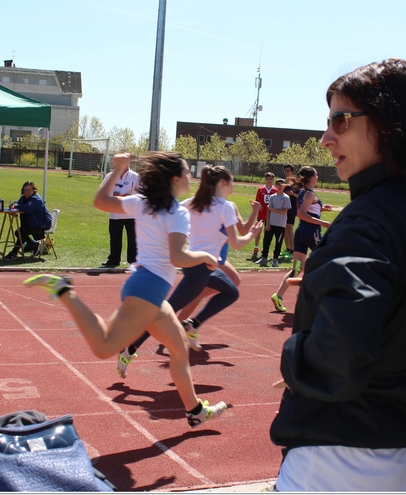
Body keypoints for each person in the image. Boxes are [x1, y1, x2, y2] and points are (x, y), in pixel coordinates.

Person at [270, 59, 406, 491]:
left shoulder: (367, 224)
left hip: (337, 463)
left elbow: (340, 358)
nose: (326, 137)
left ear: (390, 124)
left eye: (340, 120)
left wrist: (295, 358)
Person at [24, 152, 228, 427]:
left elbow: (100, 201)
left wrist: (116, 172)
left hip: (148, 289)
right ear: (176, 179)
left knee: (179, 350)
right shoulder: (177, 212)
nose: (191, 176)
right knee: (105, 346)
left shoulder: (140, 203)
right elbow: (178, 258)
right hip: (149, 289)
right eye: (188, 172)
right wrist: (204, 256)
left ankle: (195, 411)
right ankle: (64, 291)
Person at [116, 165, 263, 377]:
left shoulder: (193, 203)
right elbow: (237, 243)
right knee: (165, 312)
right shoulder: (225, 207)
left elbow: (170, 208)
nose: (233, 185)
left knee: (232, 291)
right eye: (231, 182)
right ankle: (129, 348)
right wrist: (253, 234)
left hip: (201, 266)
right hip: (199, 271)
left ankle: (193, 324)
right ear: (222, 183)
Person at [269, 167, 331, 313]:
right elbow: (301, 214)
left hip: (301, 233)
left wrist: (321, 209)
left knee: (296, 268)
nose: (318, 177)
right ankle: (317, 300)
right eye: (316, 174)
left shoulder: (303, 193)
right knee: (324, 263)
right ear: (311, 178)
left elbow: (308, 209)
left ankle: (278, 295)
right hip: (311, 232)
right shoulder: (308, 194)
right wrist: (324, 223)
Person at [100, 158, 140, 268]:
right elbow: (102, 191)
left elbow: (142, 194)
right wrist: (114, 194)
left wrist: (128, 196)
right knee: (115, 238)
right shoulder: (110, 176)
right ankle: (113, 259)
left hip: (132, 214)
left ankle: (133, 260)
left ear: (129, 163)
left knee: (133, 239)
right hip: (115, 213)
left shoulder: (135, 176)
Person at [4, 181, 52, 260]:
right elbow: (18, 203)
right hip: (32, 223)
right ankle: (33, 245)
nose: (27, 192)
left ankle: (14, 253)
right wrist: (14, 204)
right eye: (25, 190)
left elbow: (28, 208)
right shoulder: (24, 198)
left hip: (42, 223)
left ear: (34, 190)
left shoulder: (36, 199)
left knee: (21, 232)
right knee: (20, 232)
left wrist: (17, 205)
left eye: (29, 190)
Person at [258, 178, 290, 268]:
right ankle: (264, 257)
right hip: (271, 223)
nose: (280, 186)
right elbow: (268, 211)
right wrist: (268, 223)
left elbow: (284, 211)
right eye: (278, 184)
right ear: (275, 186)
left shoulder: (286, 198)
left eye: (282, 184)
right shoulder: (272, 197)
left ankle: (275, 259)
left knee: (278, 243)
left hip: (280, 224)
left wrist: (273, 209)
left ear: (284, 186)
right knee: (266, 241)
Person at [248, 172, 276, 261]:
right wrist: (257, 205)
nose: (269, 180)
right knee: (258, 231)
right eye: (267, 179)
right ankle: (256, 247)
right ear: (265, 179)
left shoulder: (275, 190)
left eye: (270, 179)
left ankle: (265, 248)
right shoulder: (261, 189)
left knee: (267, 233)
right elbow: (257, 201)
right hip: (261, 214)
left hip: (270, 215)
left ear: (273, 180)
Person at [281, 165, 299, 259]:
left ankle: (293, 250)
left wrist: (292, 193)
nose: (287, 172)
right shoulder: (284, 182)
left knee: (289, 229)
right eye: (285, 171)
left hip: (291, 209)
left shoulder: (296, 183)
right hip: (284, 209)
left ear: (292, 171)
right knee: (284, 230)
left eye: (288, 170)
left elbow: (301, 196)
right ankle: (288, 249)